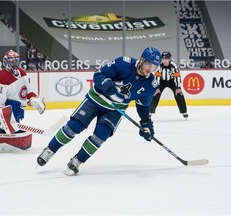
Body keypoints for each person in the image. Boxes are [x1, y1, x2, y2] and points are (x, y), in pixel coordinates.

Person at [36, 47, 161, 176]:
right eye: (148, 64)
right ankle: (50, 150)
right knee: (73, 127)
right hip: (95, 100)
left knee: (100, 136)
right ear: (141, 60)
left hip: (114, 110)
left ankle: (77, 160)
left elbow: (143, 106)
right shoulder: (124, 63)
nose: (150, 69)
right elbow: (99, 74)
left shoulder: (150, 84)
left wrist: (146, 124)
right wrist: (105, 83)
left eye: (154, 67)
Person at [0, 50, 46, 154]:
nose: (14, 63)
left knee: (13, 132)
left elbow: (28, 91)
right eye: (12, 61)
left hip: (16, 111)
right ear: (6, 62)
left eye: (16, 61)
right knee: (10, 133)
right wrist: (1, 118)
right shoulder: (2, 77)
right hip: (3, 113)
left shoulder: (22, 73)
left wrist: (33, 100)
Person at [149, 51, 188, 119]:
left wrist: (178, 87)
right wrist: (157, 87)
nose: (164, 60)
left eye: (166, 59)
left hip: (172, 81)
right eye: (163, 59)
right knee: (155, 94)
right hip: (161, 81)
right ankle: (150, 112)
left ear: (169, 59)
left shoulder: (174, 65)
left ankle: (184, 112)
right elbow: (157, 77)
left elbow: (177, 76)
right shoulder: (159, 65)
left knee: (179, 94)